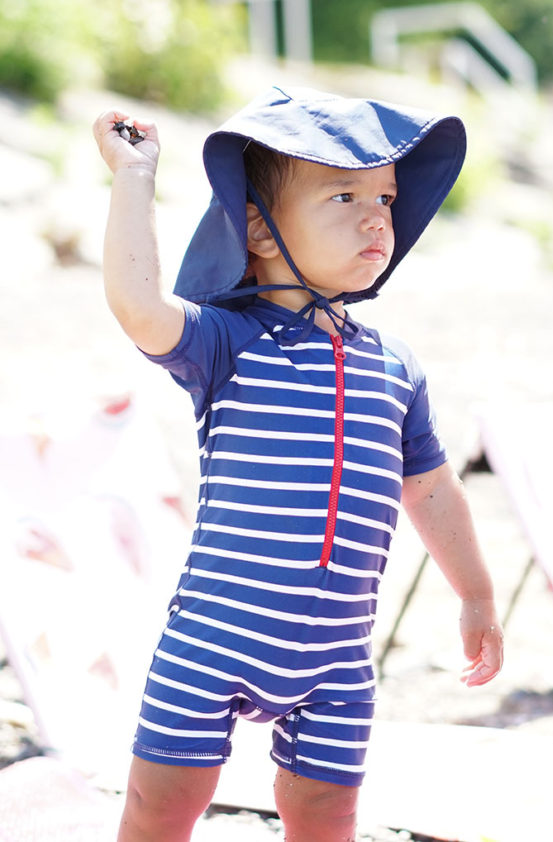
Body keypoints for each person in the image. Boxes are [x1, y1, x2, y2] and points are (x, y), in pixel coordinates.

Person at [92, 86, 503, 842]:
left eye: (383, 195)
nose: (377, 214)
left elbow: (432, 489)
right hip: (214, 638)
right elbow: (139, 303)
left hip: (337, 658)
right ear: (256, 228)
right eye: (343, 194)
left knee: (325, 812)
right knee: (161, 807)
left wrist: (474, 592)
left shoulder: (393, 367)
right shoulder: (227, 343)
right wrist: (135, 175)